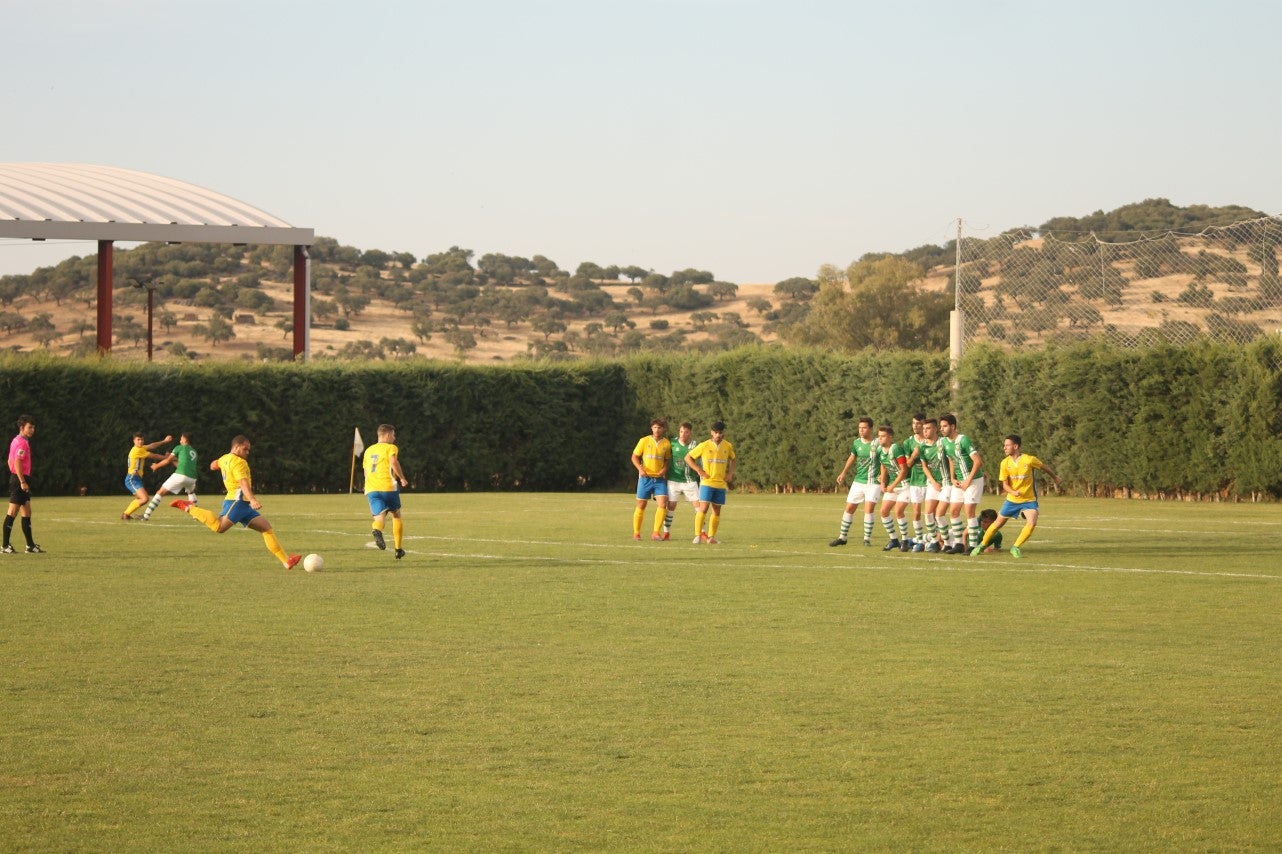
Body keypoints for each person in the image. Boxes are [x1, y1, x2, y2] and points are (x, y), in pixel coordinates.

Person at [170, 434, 301, 570]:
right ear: (237, 447)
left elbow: (213, 465)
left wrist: (219, 465)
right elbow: (243, 482)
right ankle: (190, 508)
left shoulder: (225, 458)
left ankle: (287, 561)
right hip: (237, 501)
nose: (247, 452)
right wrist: (252, 499)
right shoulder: (239, 462)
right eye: (245, 449)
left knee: (266, 528)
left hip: (243, 504)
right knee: (219, 527)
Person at [971, 434, 1061, 559]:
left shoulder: (1029, 460)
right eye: (1004, 445)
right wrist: (1013, 492)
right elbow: (1005, 485)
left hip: (1029, 500)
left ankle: (1015, 547)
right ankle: (981, 546)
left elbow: (1044, 467)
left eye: (1007, 445)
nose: (1004, 448)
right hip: (1012, 500)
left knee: (1032, 521)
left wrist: (1055, 477)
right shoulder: (1004, 463)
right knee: (997, 524)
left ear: (1016, 446)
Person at [829, 417, 881, 547]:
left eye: (864, 428)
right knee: (849, 508)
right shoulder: (857, 443)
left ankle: (867, 539)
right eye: (859, 428)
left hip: (873, 482)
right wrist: (843, 472)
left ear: (870, 429)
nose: (861, 430)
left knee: (868, 510)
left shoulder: (878, 443)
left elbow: (885, 460)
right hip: (859, 481)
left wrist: (883, 475)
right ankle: (842, 537)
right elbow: (852, 457)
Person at [938, 413, 984, 554]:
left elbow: (978, 461)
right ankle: (958, 544)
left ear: (953, 426)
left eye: (945, 426)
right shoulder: (944, 442)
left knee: (969, 511)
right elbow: (951, 460)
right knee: (954, 511)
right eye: (941, 426)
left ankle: (973, 545)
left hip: (973, 480)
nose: (942, 429)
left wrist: (968, 481)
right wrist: (952, 478)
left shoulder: (963, 440)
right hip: (958, 483)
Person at [685, 420, 736, 544]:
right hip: (707, 483)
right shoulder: (704, 445)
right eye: (716, 432)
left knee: (717, 510)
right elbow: (688, 458)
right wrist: (699, 470)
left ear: (723, 433)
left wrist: (730, 473)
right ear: (712, 433)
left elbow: (733, 459)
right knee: (703, 508)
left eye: (720, 433)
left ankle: (711, 537)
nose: (718, 435)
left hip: (720, 484)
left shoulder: (727, 446)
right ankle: (697, 535)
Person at [363, 423, 409, 559]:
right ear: (388, 435)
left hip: (371, 489)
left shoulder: (368, 450)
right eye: (393, 435)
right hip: (388, 486)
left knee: (379, 518)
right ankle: (398, 549)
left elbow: (365, 472)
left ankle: (377, 529)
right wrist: (402, 478)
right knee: (396, 515)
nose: (394, 438)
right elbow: (393, 462)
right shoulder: (391, 447)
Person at [4, 415, 42, 554]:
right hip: (20, 480)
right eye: (29, 427)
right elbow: (17, 462)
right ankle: (4, 546)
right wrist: (21, 480)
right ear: (22, 428)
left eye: (33, 427)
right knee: (12, 512)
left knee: (26, 512)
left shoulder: (16, 440)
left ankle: (30, 546)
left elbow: (10, 460)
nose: (32, 430)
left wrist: (15, 475)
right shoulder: (22, 443)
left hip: (18, 478)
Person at [141, 432, 199, 520]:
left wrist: (156, 466)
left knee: (160, 492)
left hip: (181, 475)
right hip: (192, 478)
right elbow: (181, 464)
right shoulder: (194, 452)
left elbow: (168, 460)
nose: (180, 440)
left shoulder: (179, 448)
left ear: (185, 440)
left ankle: (145, 516)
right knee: (191, 492)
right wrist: (172, 459)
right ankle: (196, 516)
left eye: (181, 438)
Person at [662, 421, 705, 542]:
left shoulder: (695, 445)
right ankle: (666, 533)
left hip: (689, 480)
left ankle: (702, 532)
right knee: (671, 505)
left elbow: (702, 458)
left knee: (699, 506)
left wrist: (702, 471)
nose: (683, 434)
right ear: (678, 432)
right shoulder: (672, 443)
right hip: (673, 480)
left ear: (690, 433)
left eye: (686, 432)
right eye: (681, 431)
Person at [631, 418, 671, 541]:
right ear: (651, 428)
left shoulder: (666, 443)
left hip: (659, 479)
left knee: (663, 504)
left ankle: (656, 533)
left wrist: (664, 469)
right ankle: (636, 533)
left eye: (659, 427)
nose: (657, 430)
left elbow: (667, 459)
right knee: (641, 505)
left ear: (663, 429)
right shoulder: (644, 441)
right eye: (654, 427)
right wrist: (640, 469)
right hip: (645, 478)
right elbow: (634, 457)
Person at [917, 417, 951, 553]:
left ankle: (947, 543)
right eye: (924, 429)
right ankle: (934, 541)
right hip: (933, 483)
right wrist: (933, 481)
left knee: (939, 514)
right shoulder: (922, 447)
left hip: (947, 483)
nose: (925, 431)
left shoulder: (944, 443)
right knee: (928, 514)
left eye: (928, 428)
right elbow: (924, 466)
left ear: (935, 429)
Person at [875, 426, 911, 551]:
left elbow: (904, 470)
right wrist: (883, 483)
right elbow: (883, 466)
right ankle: (894, 540)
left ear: (890, 437)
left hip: (905, 485)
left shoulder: (896, 449)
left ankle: (905, 540)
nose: (880, 438)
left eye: (883, 436)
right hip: (892, 486)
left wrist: (893, 485)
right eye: (879, 436)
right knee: (883, 512)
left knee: (898, 511)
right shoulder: (879, 450)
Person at [121, 431, 172, 520]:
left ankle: (126, 514)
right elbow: (154, 456)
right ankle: (126, 514)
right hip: (132, 479)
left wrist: (164, 441)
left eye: (142, 440)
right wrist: (169, 458)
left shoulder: (140, 448)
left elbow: (152, 446)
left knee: (140, 499)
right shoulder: (137, 450)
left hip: (136, 479)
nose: (140, 441)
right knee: (144, 498)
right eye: (138, 440)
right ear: (134, 441)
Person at [896, 414, 928, 551]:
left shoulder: (931, 441)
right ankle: (920, 540)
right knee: (916, 512)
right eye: (913, 423)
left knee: (931, 513)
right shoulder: (908, 442)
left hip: (930, 481)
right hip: (916, 481)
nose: (915, 425)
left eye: (918, 423)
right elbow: (907, 465)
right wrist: (914, 455)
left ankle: (935, 540)